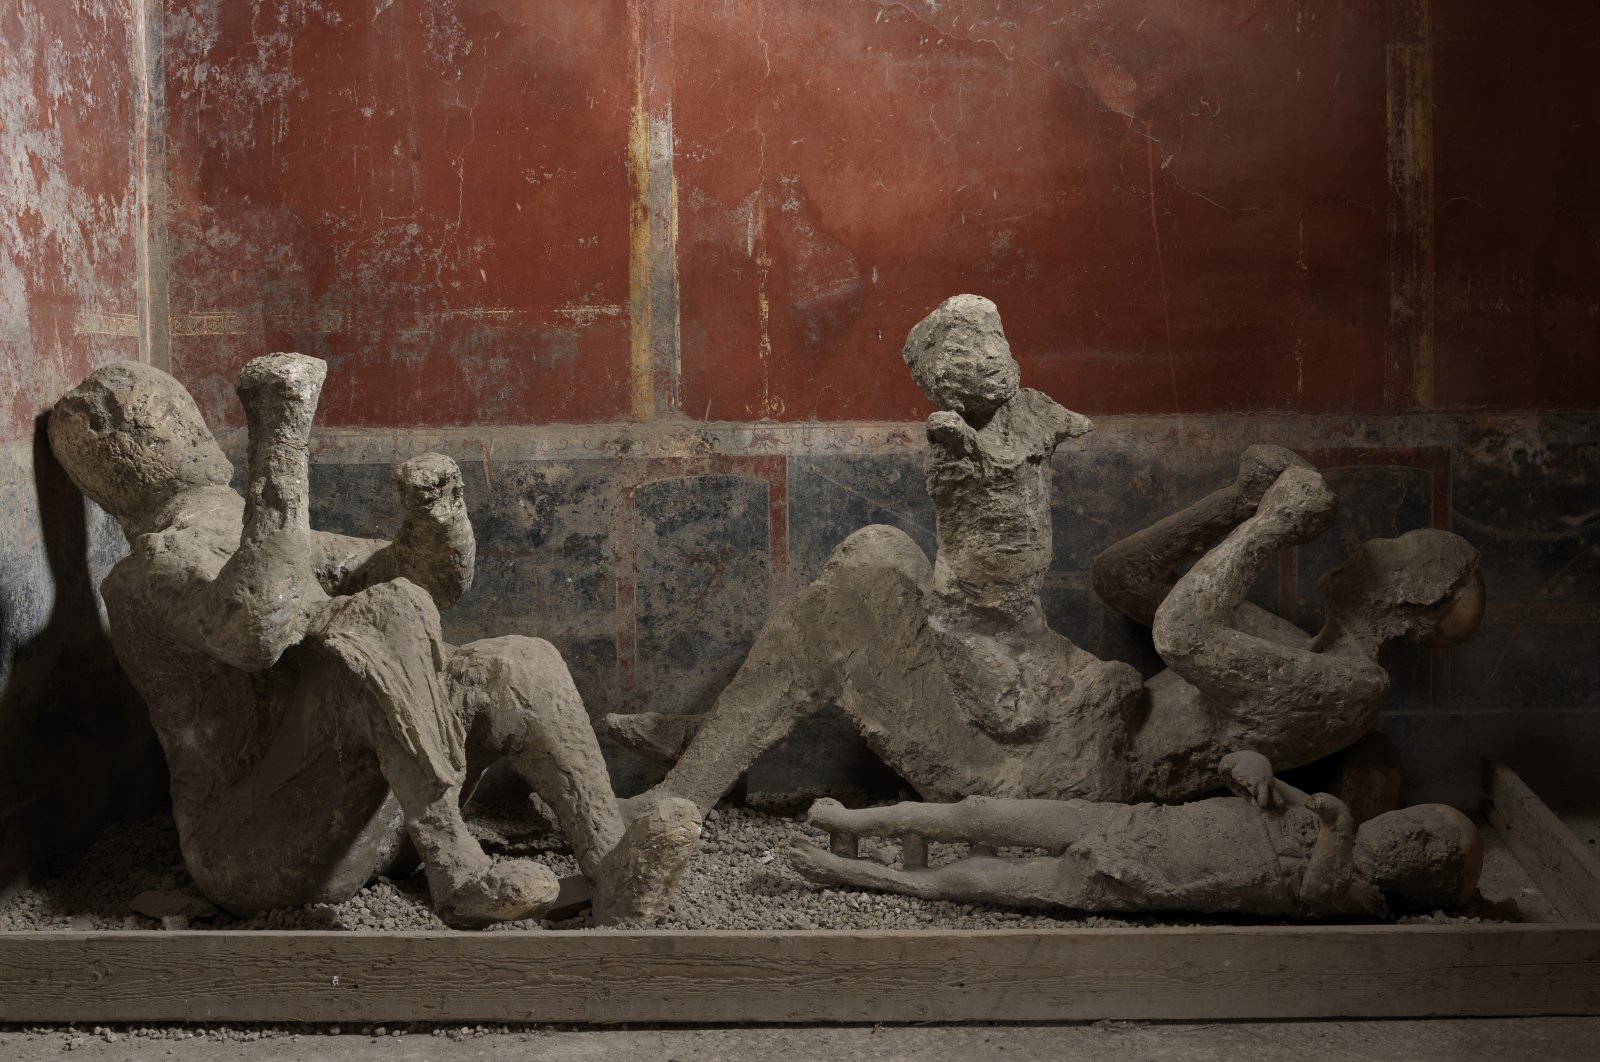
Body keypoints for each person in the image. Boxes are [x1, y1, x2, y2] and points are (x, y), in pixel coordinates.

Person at [604, 295, 1484, 812]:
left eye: (1396, 551)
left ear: (1413, 606)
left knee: (849, 601)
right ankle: (723, 739)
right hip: (1049, 693)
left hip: (1049, 771)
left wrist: (1271, 527)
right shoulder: (1296, 645)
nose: (1372, 543)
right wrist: (1237, 502)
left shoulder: (1348, 688)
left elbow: (1179, 635)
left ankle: (686, 790)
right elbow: (1125, 581)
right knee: (877, 548)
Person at [49, 354, 698, 927]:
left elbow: (421, 580)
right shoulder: (145, 573)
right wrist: (280, 432)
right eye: (159, 414)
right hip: (258, 848)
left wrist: (435, 515)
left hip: (367, 809)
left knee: (514, 662)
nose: (185, 423)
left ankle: (613, 863)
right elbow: (256, 630)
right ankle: (457, 869)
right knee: (378, 616)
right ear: (120, 449)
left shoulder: (238, 527)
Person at [787, 751, 1484, 919]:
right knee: (978, 813)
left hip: (1131, 880)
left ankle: (868, 876)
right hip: (1129, 825)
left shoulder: (1366, 896)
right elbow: (1247, 769)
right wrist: (1253, 767)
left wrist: (1335, 828)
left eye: (1430, 847)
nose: (1410, 832)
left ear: (1429, 879)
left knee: (977, 882)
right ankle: (855, 822)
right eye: (1421, 822)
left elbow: (1318, 891)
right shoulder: (1315, 813)